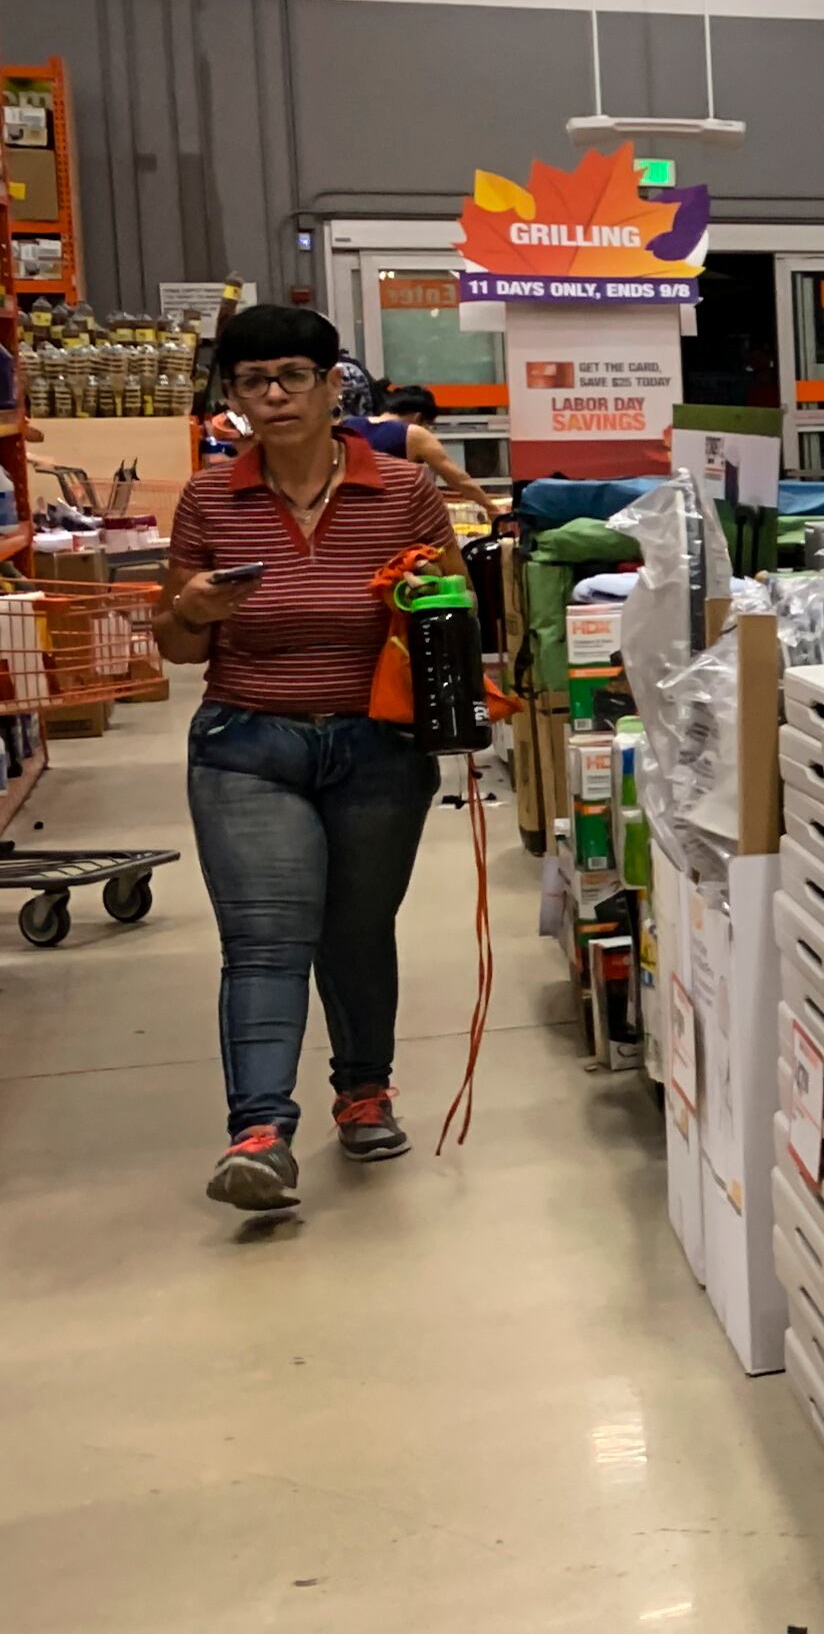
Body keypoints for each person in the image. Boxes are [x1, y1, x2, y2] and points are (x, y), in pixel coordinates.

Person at [161, 305, 467, 1210]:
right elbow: (176, 648)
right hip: (247, 744)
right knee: (264, 938)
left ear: (336, 386)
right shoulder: (208, 498)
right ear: (233, 398)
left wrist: (429, 600)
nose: (274, 394)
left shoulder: (405, 487)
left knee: (357, 930)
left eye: (294, 374)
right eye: (252, 381)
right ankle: (258, 1133)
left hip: (377, 746)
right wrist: (194, 613)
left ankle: (363, 1091)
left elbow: (453, 614)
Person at [347, 385, 503, 514]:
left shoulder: (346, 425)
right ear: (417, 417)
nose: (428, 429)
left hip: (347, 513)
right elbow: (459, 479)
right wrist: (491, 508)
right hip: (387, 515)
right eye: (428, 424)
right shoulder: (413, 433)